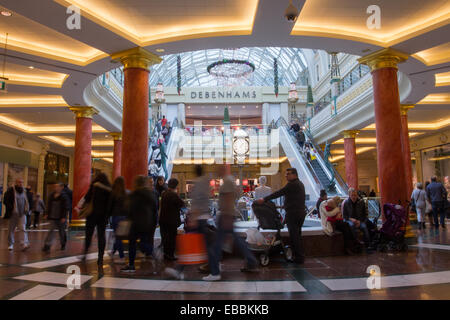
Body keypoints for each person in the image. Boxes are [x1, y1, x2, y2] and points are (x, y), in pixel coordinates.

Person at [204, 165, 258, 281]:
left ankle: (215, 271)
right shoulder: (228, 181)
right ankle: (251, 261)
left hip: (226, 215)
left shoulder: (228, 181)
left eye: (218, 168)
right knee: (236, 241)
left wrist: (227, 217)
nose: (216, 170)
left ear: (224, 169)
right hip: (227, 215)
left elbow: (228, 199)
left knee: (217, 244)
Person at [165, 165, 213, 280]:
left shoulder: (198, 184)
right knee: (206, 245)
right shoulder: (206, 183)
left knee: (190, 245)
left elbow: (196, 202)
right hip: (203, 217)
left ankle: (180, 270)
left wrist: (193, 219)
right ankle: (214, 267)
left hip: (198, 219)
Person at [256, 168, 306, 264]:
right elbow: (296, 199)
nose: (286, 176)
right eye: (285, 174)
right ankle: (299, 257)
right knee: (297, 236)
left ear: (294, 174)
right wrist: (284, 206)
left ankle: (299, 258)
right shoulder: (300, 184)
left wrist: (264, 199)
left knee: (294, 236)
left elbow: (279, 193)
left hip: (293, 214)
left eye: (288, 174)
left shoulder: (292, 184)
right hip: (299, 212)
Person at [121, 175, 158, 273]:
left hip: (134, 223)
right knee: (144, 242)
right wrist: (154, 222)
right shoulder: (151, 194)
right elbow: (155, 209)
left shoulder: (133, 194)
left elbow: (128, 209)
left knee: (132, 244)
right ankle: (151, 252)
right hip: (147, 223)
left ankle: (131, 265)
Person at [81, 173, 112, 268]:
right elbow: (110, 204)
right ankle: (100, 258)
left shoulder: (94, 186)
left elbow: (86, 199)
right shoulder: (109, 189)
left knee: (88, 235)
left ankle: (85, 254)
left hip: (92, 214)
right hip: (102, 216)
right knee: (101, 236)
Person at [159, 178, 185, 260]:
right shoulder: (173, 194)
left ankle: (166, 254)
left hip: (163, 219)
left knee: (166, 238)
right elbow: (182, 204)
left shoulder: (164, 193)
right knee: (171, 238)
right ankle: (170, 255)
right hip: (171, 220)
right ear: (175, 186)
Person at [3, 179, 30, 251]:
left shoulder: (24, 191)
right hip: (13, 214)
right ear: (16, 183)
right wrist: (11, 208)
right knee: (11, 229)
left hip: (22, 213)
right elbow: (5, 200)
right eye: (19, 182)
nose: (20, 183)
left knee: (22, 228)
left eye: (22, 182)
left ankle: (24, 244)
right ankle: (10, 244)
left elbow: (27, 200)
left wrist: (28, 209)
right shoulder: (11, 191)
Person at [43, 183, 70, 252]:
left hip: (61, 217)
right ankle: (47, 245)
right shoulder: (51, 195)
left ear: (61, 187)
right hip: (52, 216)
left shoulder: (64, 196)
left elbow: (66, 207)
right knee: (51, 231)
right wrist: (47, 214)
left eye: (57, 186)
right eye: (55, 186)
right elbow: (49, 205)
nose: (56, 188)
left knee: (62, 232)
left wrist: (64, 217)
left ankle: (63, 244)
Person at [107, 176, 128, 264]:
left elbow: (109, 206)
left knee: (118, 237)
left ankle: (121, 257)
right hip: (124, 217)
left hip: (116, 217)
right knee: (119, 236)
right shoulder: (126, 193)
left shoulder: (113, 193)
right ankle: (113, 251)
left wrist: (107, 217)